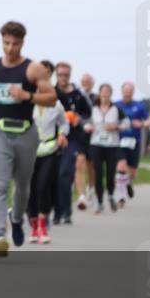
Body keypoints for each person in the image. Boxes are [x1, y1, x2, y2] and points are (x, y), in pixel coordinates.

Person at [0, 21, 56, 257]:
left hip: (25, 132)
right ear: (1, 41)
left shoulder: (33, 69)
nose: (10, 48)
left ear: (22, 43)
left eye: (15, 44)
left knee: (22, 186)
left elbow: (52, 98)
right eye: (6, 43)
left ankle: (16, 219)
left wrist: (27, 95)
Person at [28, 61, 70, 244]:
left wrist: (62, 135)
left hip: (50, 148)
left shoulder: (56, 103)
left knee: (43, 186)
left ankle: (43, 225)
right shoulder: (26, 101)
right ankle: (34, 225)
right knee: (30, 189)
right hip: (29, 150)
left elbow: (64, 123)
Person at [52, 62, 91, 224]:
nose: (63, 78)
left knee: (65, 175)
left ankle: (66, 212)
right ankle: (56, 212)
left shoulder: (78, 95)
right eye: (60, 74)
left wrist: (78, 118)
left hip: (72, 139)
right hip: (53, 138)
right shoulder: (51, 93)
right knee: (53, 176)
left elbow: (88, 113)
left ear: (70, 75)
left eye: (66, 75)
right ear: (56, 75)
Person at [89, 83, 128, 214]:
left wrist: (116, 127)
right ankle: (100, 202)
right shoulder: (93, 108)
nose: (105, 94)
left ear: (110, 94)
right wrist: (87, 127)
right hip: (96, 143)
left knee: (110, 173)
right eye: (103, 91)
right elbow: (86, 121)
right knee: (98, 173)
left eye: (107, 92)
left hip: (112, 144)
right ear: (99, 93)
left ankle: (110, 195)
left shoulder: (116, 109)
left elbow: (126, 123)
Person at [115, 82, 150, 206]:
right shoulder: (116, 105)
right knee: (121, 166)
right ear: (122, 91)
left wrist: (142, 124)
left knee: (132, 172)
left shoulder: (139, 106)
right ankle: (121, 196)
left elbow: (148, 121)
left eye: (130, 90)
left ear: (133, 92)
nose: (128, 92)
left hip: (134, 142)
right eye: (126, 90)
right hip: (119, 141)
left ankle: (128, 183)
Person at [77, 72, 97, 208]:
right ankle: (81, 195)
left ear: (92, 83)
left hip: (93, 135)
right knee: (79, 163)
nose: (85, 83)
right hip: (79, 134)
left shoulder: (96, 98)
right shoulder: (77, 96)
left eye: (87, 81)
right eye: (83, 81)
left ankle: (91, 188)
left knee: (91, 165)